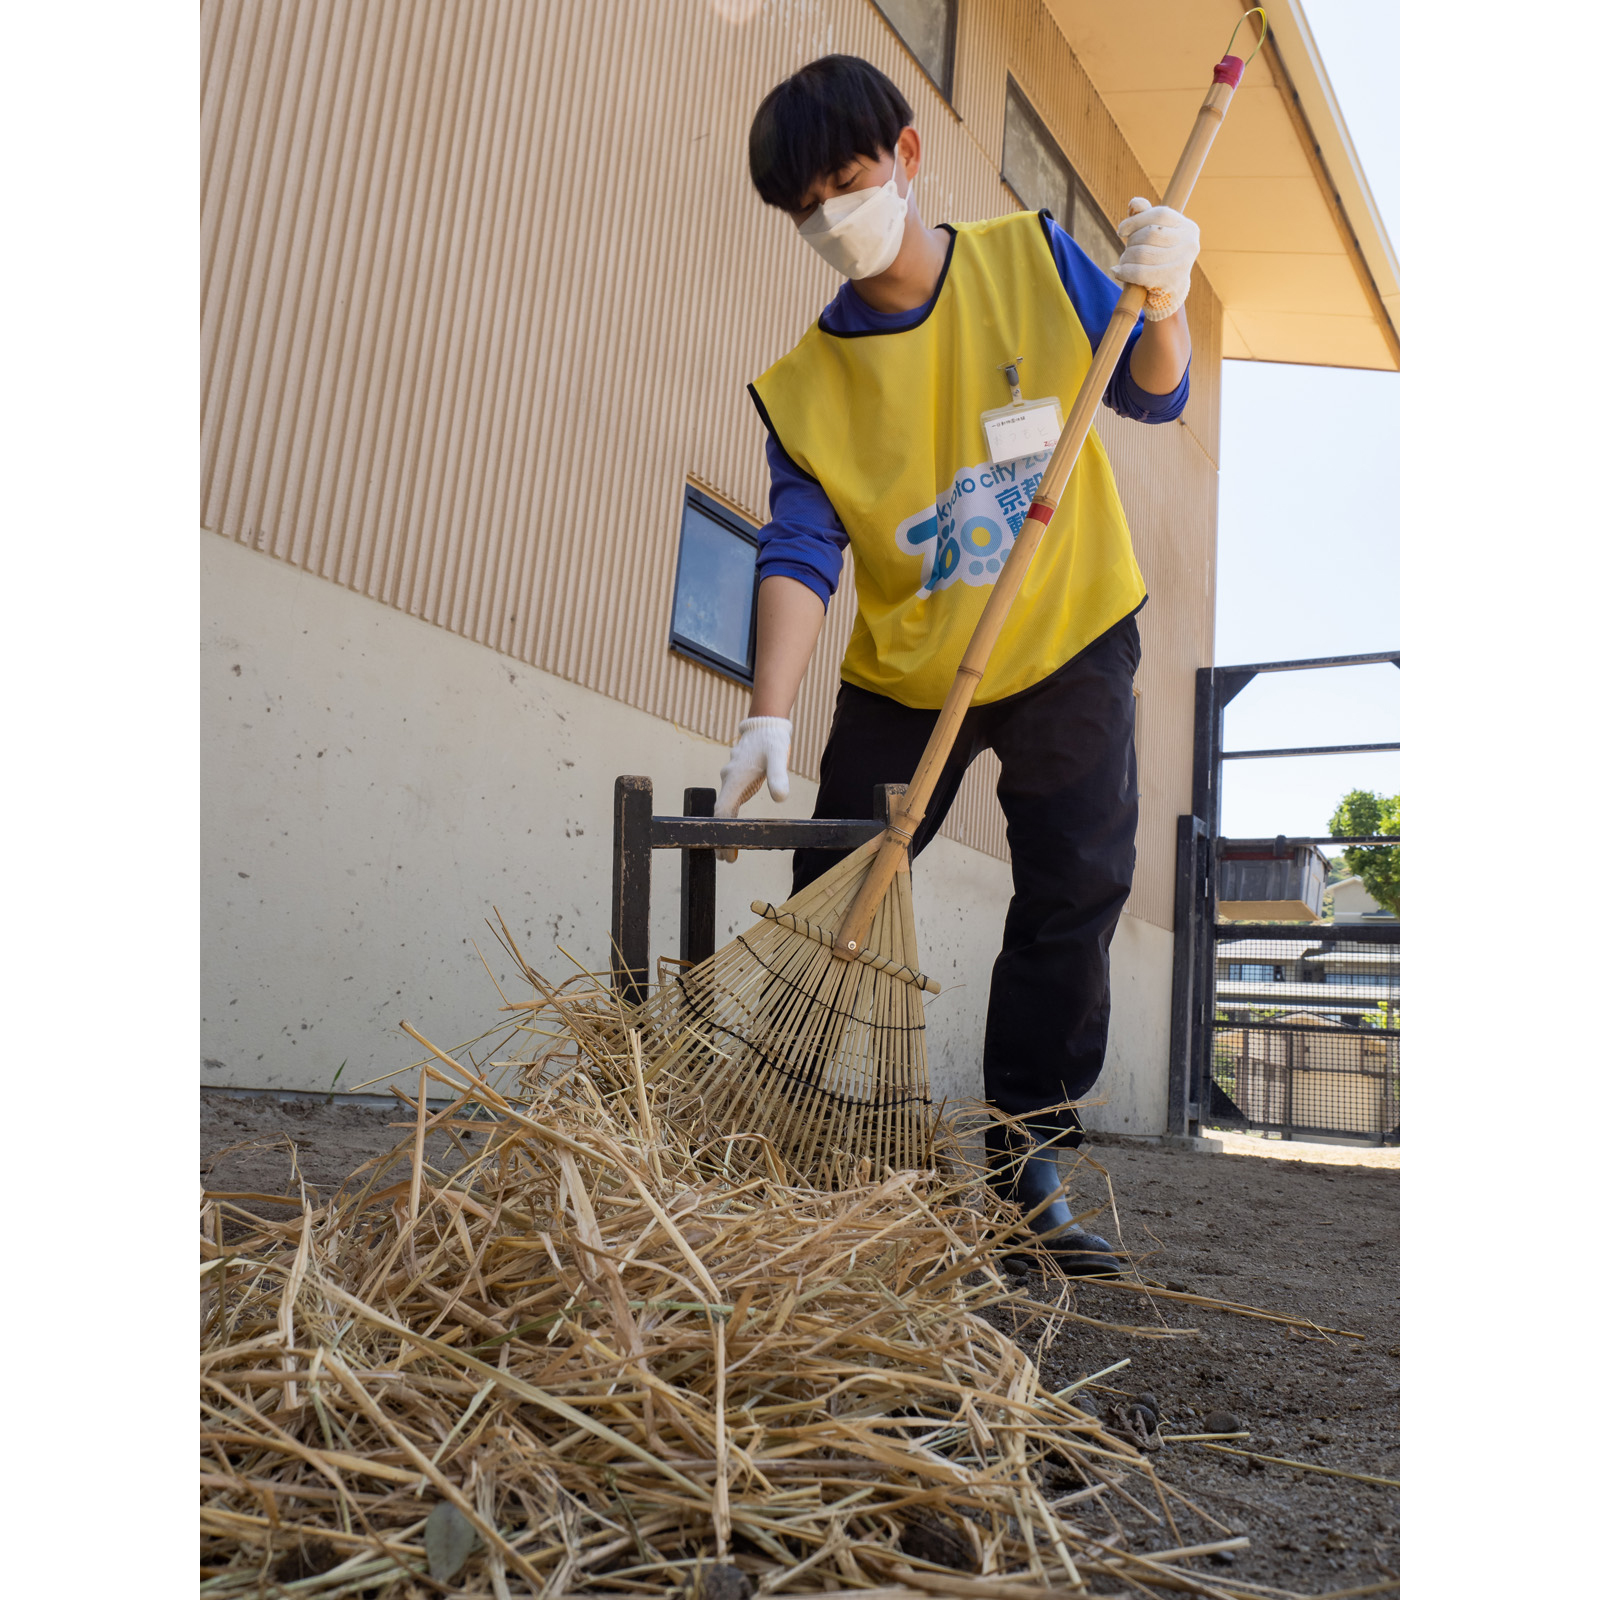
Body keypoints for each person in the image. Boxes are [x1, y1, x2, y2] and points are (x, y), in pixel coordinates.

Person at [712, 55, 1199, 1273]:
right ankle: (778, 1119)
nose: (834, 216)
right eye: (805, 205)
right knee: (844, 889)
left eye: (849, 178)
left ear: (908, 155)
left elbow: (1150, 391)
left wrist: (1169, 293)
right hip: (906, 671)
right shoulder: (809, 387)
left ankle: (1021, 1158)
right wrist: (766, 713)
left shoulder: (1029, 261)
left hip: (1069, 628)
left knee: (1073, 892)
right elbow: (800, 548)